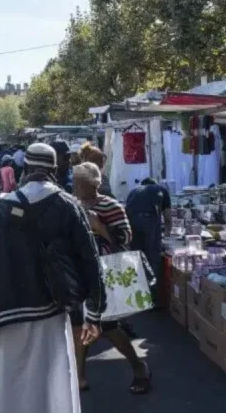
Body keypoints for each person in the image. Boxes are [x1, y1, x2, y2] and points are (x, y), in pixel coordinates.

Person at [0, 143, 104, 413]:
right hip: (50, 312)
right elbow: (90, 260)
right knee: (53, 388)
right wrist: (95, 312)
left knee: (14, 389)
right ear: (54, 170)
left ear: (26, 169)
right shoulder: (68, 205)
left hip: (6, 313)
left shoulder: (0, 207)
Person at [71, 162, 151, 394]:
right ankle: (79, 376)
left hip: (105, 273)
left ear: (94, 183)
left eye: (80, 182)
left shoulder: (111, 205)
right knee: (79, 324)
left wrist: (99, 226)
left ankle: (139, 367)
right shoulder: (72, 204)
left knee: (107, 325)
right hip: (78, 273)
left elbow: (124, 239)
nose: (76, 186)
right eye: (75, 182)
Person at [126, 177, 172, 282]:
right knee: (153, 258)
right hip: (149, 222)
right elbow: (168, 219)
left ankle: (138, 289)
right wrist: (166, 238)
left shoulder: (133, 192)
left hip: (132, 224)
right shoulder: (161, 189)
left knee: (136, 257)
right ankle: (153, 293)